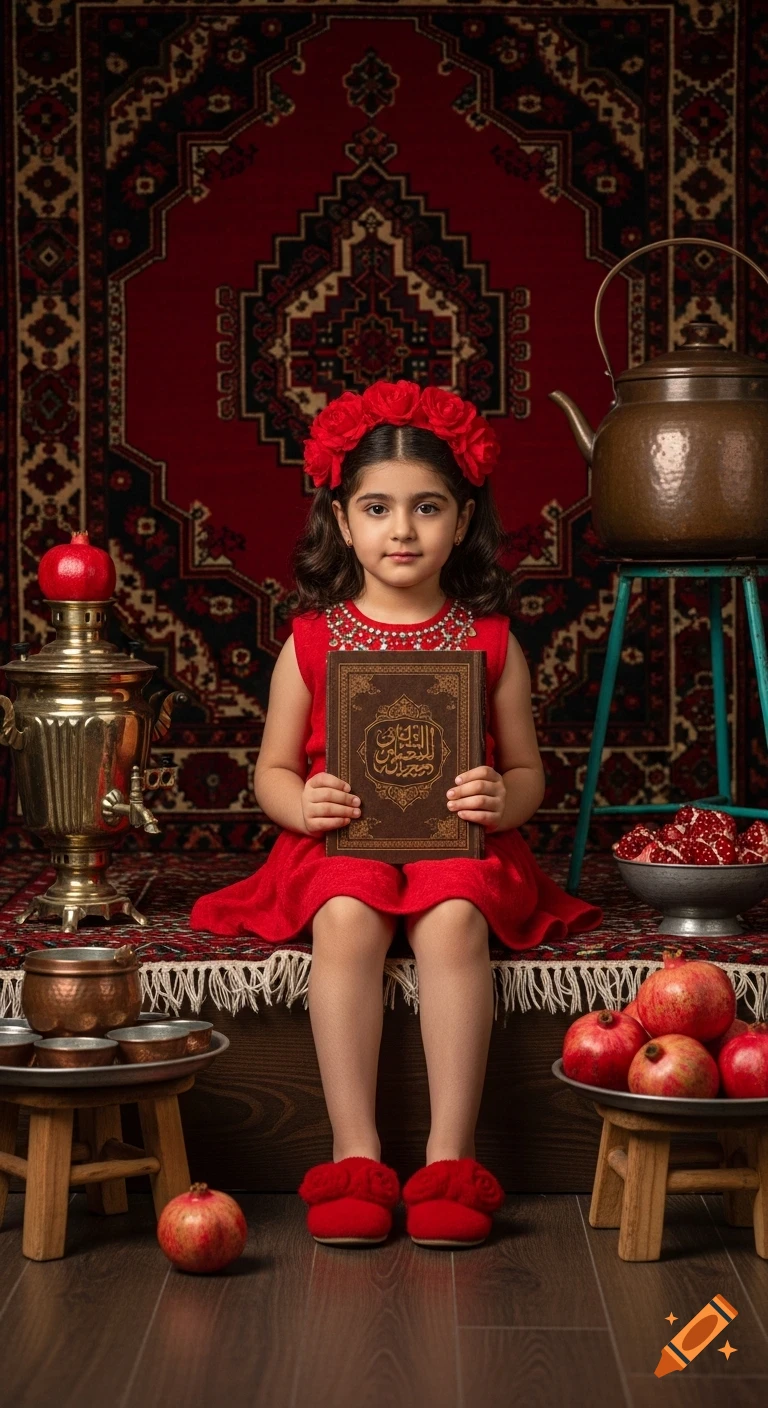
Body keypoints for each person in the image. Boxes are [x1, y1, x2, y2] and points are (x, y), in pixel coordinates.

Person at [190, 380, 602, 1249]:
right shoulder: (312, 639)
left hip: (462, 844)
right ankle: (356, 1155)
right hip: (337, 845)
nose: (403, 530)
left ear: (463, 520)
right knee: (347, 911)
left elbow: (530, 774)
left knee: (455, 915)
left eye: (428, 508)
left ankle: (450, 1159)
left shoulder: (488, 641)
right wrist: (302, 805)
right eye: (378, 508)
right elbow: (270, 769)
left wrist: (502, 796)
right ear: (343, 523)